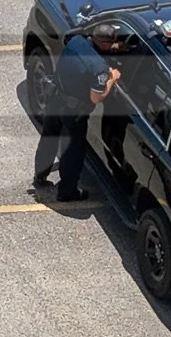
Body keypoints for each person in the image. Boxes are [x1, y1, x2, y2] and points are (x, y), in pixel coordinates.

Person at [36, 22, 126, 202]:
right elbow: (96, 98)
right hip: (73, 111)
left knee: (49, 138)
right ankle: (67, 192)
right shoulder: (98, 67)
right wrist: (112, 78)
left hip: (55, 98)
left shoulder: (77, 41)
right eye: (112, 43)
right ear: (104, 43)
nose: (115, 46)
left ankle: (40, 176)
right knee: (72, 151)